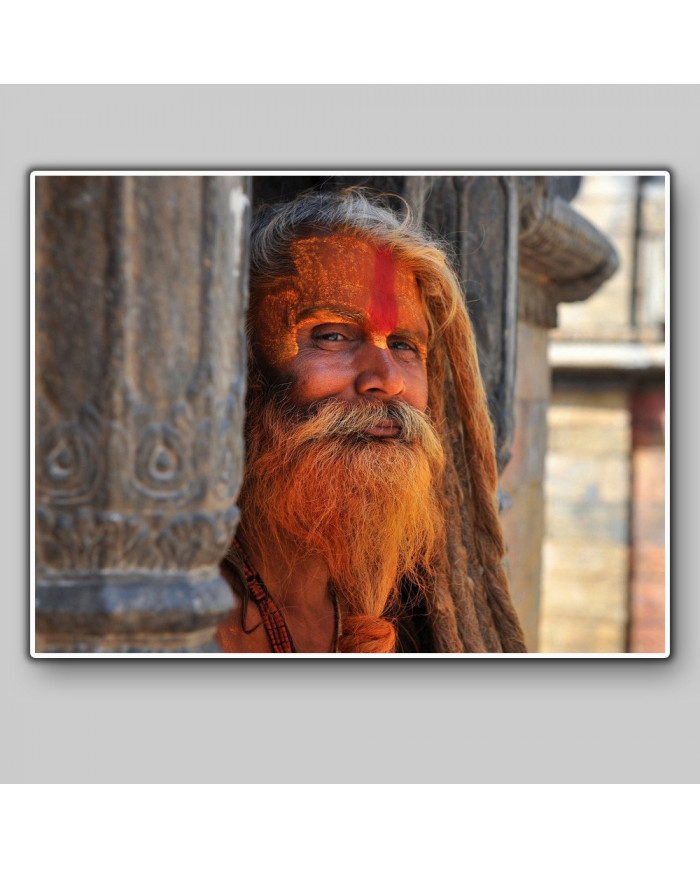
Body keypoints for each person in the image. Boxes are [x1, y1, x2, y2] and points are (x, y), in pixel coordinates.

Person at [215, 188, 526, 654]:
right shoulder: (179, 603)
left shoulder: (420, 612)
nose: (387, 380)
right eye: (333, 336)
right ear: (242, 362)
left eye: (404, 345)